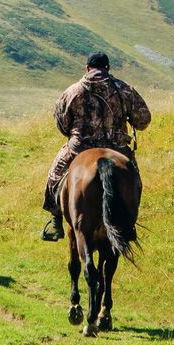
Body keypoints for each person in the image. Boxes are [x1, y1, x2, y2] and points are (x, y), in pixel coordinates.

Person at [40, 51, 150, 241]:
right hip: (117, 148)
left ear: (87, 68)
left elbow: (62, 124)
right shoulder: (124, 90)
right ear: (108, 68)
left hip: (80, 148)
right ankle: (129, 224)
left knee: (54, 175)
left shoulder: (72, 91)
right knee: (135, 181)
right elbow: (143, 121)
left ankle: (56, 219)